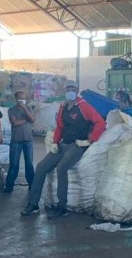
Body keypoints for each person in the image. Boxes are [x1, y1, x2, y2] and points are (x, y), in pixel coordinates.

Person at [21, 81, 105, 219]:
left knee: (61, 168)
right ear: (64, 91)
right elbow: (60, 126)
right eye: (68, 89)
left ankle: (62, 207)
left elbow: (100, 122)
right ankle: (33, 204)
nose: (70, 91)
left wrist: (89, 141)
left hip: (77, 145)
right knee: (41, 167)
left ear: (77, 90)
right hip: (63, 144)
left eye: (72, 89)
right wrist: (55, 142)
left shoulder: (84, 106)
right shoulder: (63, 106)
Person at [4, 89, 35, 193]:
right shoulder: (11, 110)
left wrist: (25, 108)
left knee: (29, 164)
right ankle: (9, 186)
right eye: (20, 98)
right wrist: (26, 120)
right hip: (16, 141)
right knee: (14, 164)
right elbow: (15, 123)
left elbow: (33, 119)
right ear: (16, 99)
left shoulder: (29, 108)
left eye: (23, 98)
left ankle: (32, 184)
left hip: (28, 141)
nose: (22, 100)